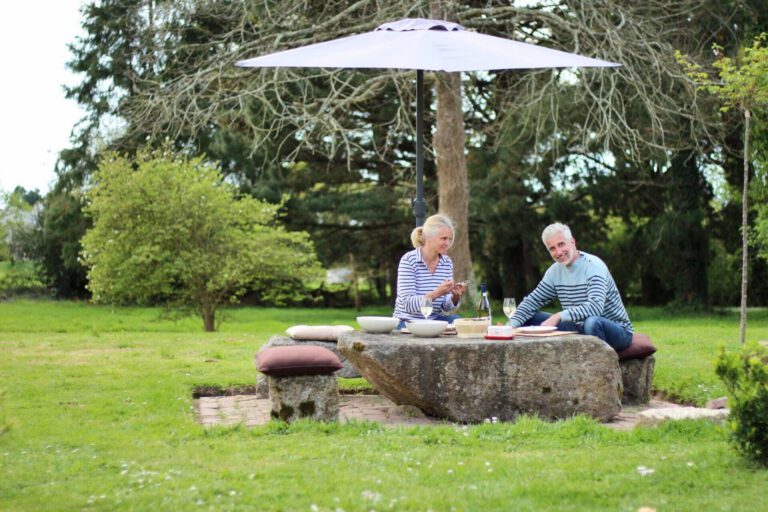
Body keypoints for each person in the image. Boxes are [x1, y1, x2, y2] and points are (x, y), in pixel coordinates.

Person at [508, 222, 633, 351]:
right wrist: (508, 327)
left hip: (617, 331)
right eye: (552, 248)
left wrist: (558, 316)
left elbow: (595, 307)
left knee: (592, 322)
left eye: (561, 244)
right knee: (530, 317)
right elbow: (532, 301)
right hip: (578, 327)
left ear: (572, 242)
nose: (558, 252)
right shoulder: (554, 271)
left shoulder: (593, 266)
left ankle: (597, 367)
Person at [394, 214, 467, 328]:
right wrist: (437, 293)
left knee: (459, 323)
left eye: (449, 239)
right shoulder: (409, 260)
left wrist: (455, 296)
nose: (447, 243)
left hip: (434, 320)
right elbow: (407, 304)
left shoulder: (446, 262)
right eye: (443, 238)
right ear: (429, 237)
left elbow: (444, 307)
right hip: (408, 321)